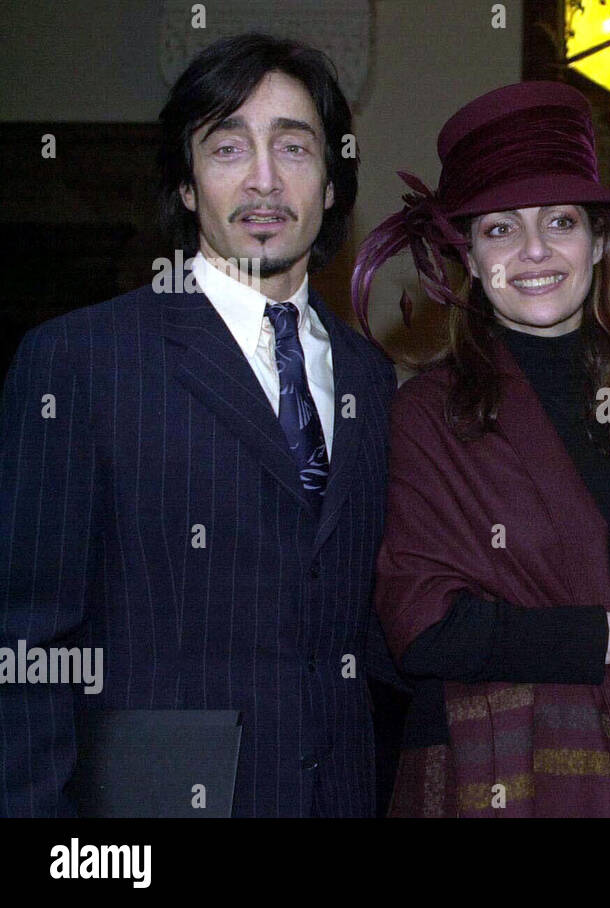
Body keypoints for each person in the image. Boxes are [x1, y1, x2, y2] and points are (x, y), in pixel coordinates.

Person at [0, 33, 396, 816]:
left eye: (294, 147)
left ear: (330, 184)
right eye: (225, 148)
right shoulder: (80, 361)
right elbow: (26, 646)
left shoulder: (371, 378)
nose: (263, 179)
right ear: (185, 187)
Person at [354, 81, 610, 818]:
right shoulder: (431, 415)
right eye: (500, 229)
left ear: (600, 242)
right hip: (505, 780)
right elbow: (426, 626)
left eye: (560, 222)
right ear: (470, 258)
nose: (534, 252)